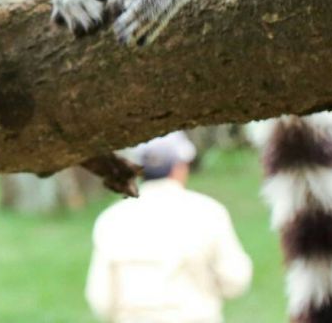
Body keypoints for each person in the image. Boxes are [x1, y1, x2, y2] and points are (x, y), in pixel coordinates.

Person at [85, 132, 252, 323]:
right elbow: (235, 280)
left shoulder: (111, 220)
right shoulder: (207, 213)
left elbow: (101, 298)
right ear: (179, 168)